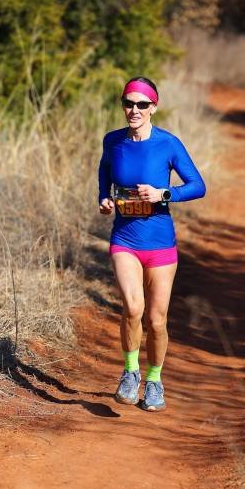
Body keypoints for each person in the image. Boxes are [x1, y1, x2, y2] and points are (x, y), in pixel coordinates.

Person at [98, 76, 206, 411]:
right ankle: (130, 373)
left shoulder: (168, 144)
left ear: (153, 108)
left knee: (157, 321)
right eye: (128, 103)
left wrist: (164, 194)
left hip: (160, 244)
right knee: (133, 308)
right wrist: (104, 197)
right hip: (125, 239)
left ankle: (155, 380)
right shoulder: (113, 141)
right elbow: (104, 170)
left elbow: (198, 185)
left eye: (142, 104)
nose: (134, 110)